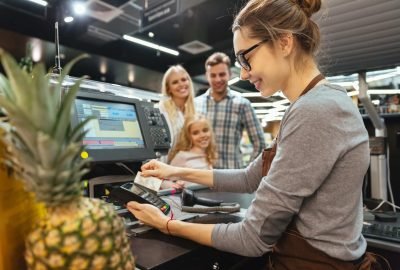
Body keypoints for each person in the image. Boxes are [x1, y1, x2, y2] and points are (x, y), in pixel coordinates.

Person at [128, 0, 380, 269]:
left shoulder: (316, 111)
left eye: (245, 58)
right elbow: (250, 178)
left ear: (284, 42)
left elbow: (252, 238)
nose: (244, 73)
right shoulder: (313, 105)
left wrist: (167, 225)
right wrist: (173, 171)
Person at [195, 52, 265, 169]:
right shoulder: (195, 104)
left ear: (230, 74)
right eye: (213, 75)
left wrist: (248, 172)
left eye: (222, 74)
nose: (218, 79)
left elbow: (260, 144)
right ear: (207, 76)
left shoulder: (242, 104)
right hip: (201, 176)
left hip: (232, 178)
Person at [161, 114, 217, 189]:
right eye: (195, 133)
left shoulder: (208, 153)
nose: (202, 135)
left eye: (205, 130)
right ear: (188, 136)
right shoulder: (182, 156)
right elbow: (164, 180)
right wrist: (174, 185)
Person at [158, 65, 196, 161]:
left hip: (183, 168)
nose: (181, 84)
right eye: (175, 82)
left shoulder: (194, 109)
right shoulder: (161, 109)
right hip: (163, 167)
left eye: (184, 79)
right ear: (168, 88)